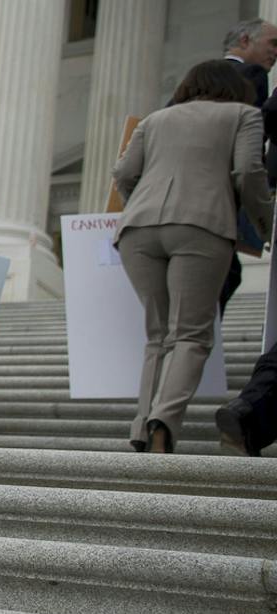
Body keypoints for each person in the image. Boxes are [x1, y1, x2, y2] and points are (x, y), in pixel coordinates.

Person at [112, 60, 271, 454]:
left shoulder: (155, 119)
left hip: (138, 231)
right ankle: (162, 421)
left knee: (157, 335)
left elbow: (122, 172)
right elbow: (249, 172)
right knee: (191, 334)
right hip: (202, 225)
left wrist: (143, 206)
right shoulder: (243, 114)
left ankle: (141, 426)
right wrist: (267, 225)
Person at [216, 18, 277, 314]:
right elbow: (253, 142)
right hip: (222, 196)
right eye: (272, 44)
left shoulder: (198, 76)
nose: (276, 53)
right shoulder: (252, 74)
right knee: (227, 274)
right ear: (244, 41)